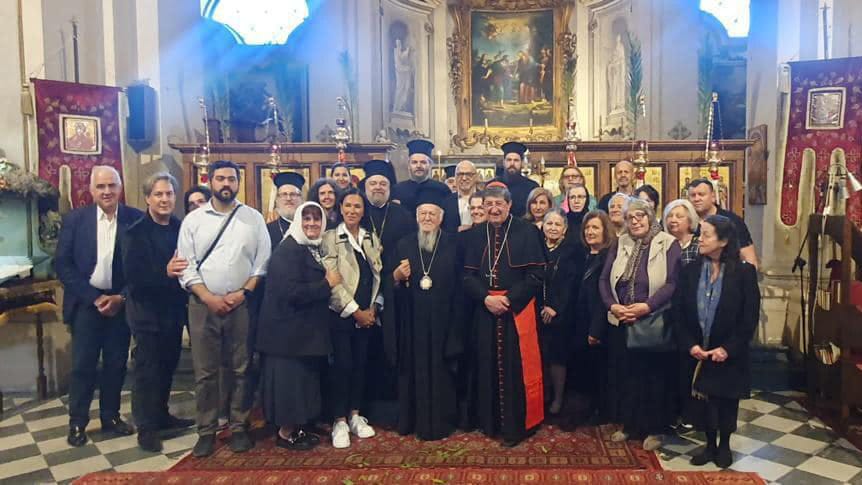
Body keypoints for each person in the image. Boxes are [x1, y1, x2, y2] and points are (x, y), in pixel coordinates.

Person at [177, 160, 271, 457]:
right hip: (203, 305)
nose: (226, 183)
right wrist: (207, 296)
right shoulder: (194, 220)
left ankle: (239, 425)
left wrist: (244, 292)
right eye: (220, 178)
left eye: (231, 178)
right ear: (212, 182)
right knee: (205, 372)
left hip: (240, 303)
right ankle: (206, 430)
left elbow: (262, 260)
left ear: (238, 182)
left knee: (241, 368)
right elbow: (185, 264)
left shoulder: (252, 218)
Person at [56, 165, 142, 447]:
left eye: (112, 186)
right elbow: (63, 265)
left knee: (116, 364)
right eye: (101, 187)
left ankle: (111, 416)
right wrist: (93, 297)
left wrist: (122, 298)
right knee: (83, 366)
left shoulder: (134, 219)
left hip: (119, 304)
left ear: (120, 188)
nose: (107, 192)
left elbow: (143, 267)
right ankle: (77, 423)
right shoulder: (75, 220)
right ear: (91, 190)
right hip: (86, 305)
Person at [673, 215, 760, 468]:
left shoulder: (744, 272)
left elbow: (749, 316)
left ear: (723, 240)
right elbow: (678, 311)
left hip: (728, 351)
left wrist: (728, 348)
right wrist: (690, 344)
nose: (701, 239)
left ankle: (724, 445)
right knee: (704, 402)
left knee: (726, 400)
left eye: (707, 235)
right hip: (698, 348)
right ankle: (709, 445)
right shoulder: (690, 270)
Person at [463, 185, 546, 447]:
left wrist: (509, 299)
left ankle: (516, 425)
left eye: (499, 204)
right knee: (486, 366)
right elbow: (466, 275)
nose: (494, 209)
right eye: (489, 204)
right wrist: (486, 298)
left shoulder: (527, 231)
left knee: (516, 370)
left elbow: (537, 275)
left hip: (517, 312)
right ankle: (490, 423)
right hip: (485, 310)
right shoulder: (475, 235)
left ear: (509, 205)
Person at [599, 197, 681, 451]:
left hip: (652, 320)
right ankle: (631, 425)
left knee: (653, 377)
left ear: (650, 216)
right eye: (630, 218)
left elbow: (672, 283)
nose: (635, 222)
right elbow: (604, 279)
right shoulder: (620, 242)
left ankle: (655, 428)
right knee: (627, 376)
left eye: (640, 216)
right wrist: (613, 306)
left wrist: (646, 306)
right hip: (621, 320)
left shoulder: (668, 243)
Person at [257, 202, 339, 450]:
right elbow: (290, 292)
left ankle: (296, 428)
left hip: (300, 335)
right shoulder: (288, 250)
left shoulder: (307, 247)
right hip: (286, 336)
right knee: (288, 387)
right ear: (298, 222)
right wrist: (328, 284)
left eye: (316, 219)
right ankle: (286, 433)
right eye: (307, 219)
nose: (312, 224)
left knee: (299, 384)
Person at [123, 172, 194, 452]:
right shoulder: (135, 232)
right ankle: (146, 428)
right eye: (159, 194)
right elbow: (133, 276)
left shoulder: (180, 227)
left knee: (167, 365)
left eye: (169, 194)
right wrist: (164, 272)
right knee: (147, 370)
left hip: (173, 312)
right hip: (146, 313)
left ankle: (162, 415)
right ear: (148, 198)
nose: (164, 199)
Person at [387, 185, 463, 440]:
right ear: (417, 216)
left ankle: (443, 422)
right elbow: (390, 285)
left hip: (445, 321)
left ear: (441, 217)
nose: (427, 218)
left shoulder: (454, 243)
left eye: (432, 213)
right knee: (415, 371)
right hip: (413, 322)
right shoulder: (404, 244)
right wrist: (397, 278)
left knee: (443, 372)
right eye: (423, 213)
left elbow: (461, 285)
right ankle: (415, 421)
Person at [321, 190, 383, 449]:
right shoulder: (330, 238)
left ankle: (356, 415)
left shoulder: (370, 237)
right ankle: (339, 420)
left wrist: (374, 308)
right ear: (341, 208)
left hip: (367, 315)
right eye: (348, 205)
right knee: (342, 367)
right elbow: (332, 280)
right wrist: (354, 310)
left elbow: (379, 274)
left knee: (361, 366)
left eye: (358, 206)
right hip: (342, 315)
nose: (353, 210)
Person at [572, 211, 616, 427]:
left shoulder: (609, 257)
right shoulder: (583, 255)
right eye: (587, 228)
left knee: (601, 371)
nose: (590, 232)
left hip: (598, 323)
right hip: (580, 320)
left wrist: (596, 329)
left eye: (595, 228)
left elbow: (603, 296)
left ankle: (603, 411)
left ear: (605, 230)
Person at [539, 209, 579, 416]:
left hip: (560, 313)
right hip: (536, 310)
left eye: (557, 224)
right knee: (540, 356)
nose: (553, 228)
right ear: (542, 226)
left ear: (564, 229)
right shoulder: (536, 248)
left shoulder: (571, 251)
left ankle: (558, 398)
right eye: (549, 224)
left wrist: (555, 308)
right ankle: (542, 397)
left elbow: (572, 284)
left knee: (557, 357)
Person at [687, 178, 758, 268]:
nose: (696, 199)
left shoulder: (732, 220)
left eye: (701, 194)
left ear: (713, 197)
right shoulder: (685, 221)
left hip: (728, 274)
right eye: (693, 195)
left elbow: (749, 258)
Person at [392, 139, 460, 231]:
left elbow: (448, 219)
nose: (419, 166)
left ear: (430, 165)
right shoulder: (397, 190)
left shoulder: (442, 189)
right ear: (409, 165)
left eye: (423, 162)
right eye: (414, 162)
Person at [497, 141, 539, 218]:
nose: (512, 163)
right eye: (509, 160)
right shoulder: (493, 185)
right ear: (504, 162)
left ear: (522, 163)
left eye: (516, 160)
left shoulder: (532, 186)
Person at [266, 172, 305, 249]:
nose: (288, 198)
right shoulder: (267, 230)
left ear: (301, 199)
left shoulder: (309, 226)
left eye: (293, 194)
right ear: (277, 199)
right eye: (284, 194)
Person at [664, 199, 701, 267]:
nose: (673, 220)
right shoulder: (662, 244)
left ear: (690, 220)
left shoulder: (698, 244)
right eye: (670, 216)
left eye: (679, 216)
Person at [454, 160, 479, 230]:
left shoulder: (485, 199)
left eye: (469, 174)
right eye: (460, 174)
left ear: (476, 176)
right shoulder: (446, 202)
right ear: (455, 177)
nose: (464, 178)